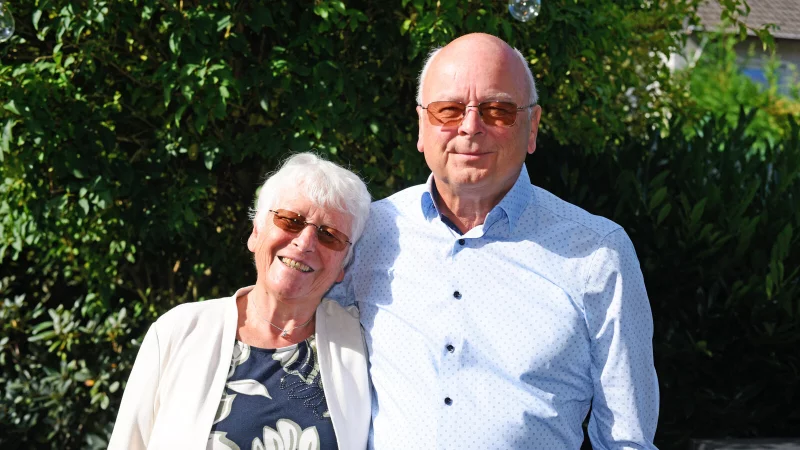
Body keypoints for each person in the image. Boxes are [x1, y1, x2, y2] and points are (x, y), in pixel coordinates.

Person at [327, 33, 659, 449]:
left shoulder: (597, 253)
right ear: (421, 126)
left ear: (532, 126)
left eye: (498, 110)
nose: (470, 127)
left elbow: (626, 438)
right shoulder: (368, 231)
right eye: (448, 109)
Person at [109, 153, 372, 449]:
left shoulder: (363, 346)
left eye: (330, 235)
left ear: (344, 267)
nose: (305, 242)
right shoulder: (178, 331)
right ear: (256, 232)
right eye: (291, 220)